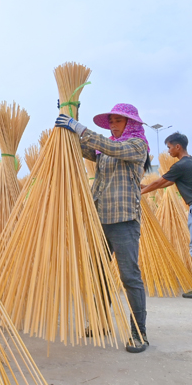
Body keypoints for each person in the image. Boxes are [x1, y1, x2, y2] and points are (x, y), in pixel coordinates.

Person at [56, 103, 152, 353]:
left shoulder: (136, 145)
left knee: (129, 276)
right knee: (97, 273)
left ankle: (139, 332)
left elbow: (111, 147)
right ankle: (100, 323)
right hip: (100, 218)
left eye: (118, 120)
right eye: (111, 121)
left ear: (131, 123)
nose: (113, 124)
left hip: (124, 220)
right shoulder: (105, 148)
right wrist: (69, 114)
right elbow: (80, 145)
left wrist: (79, 127)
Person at [140, 132, 192, 299]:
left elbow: (160, 181)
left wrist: (140, 192)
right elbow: (168, 182)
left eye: (169, 147)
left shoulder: (181, 165)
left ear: (178, 147)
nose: (168, 151)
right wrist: (145, 187)